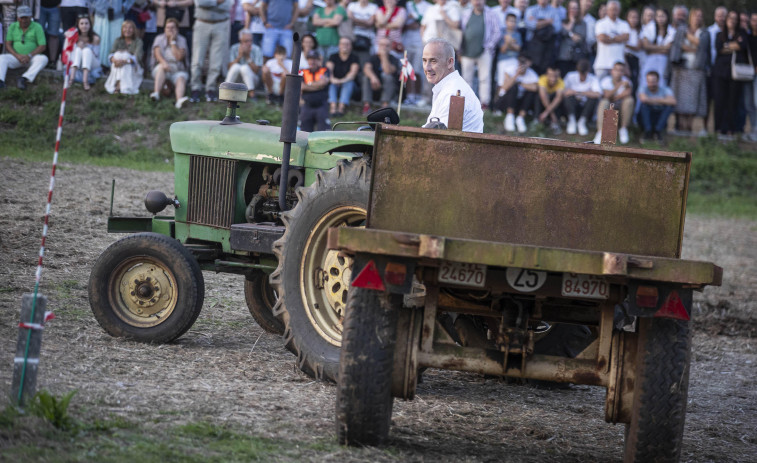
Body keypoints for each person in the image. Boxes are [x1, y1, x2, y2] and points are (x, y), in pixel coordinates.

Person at [422, 37, 483, 132]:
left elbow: (437, 136)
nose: (427, 68)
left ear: (450, 62)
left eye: (433, 61)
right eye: (424, 60)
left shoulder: (452, 92)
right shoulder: (450, 86)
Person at [669, 8, 709, 136]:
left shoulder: (704, 32)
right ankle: (680, 128)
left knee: (692, 102)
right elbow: (678, 45)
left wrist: (688, 38)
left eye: (700, 16)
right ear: (690, 17)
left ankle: (689, 130)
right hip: (681, 69)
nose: (698, 18)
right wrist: (694, 48)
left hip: (696, 70)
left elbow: (701, 45)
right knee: (680, 101)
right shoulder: (681, 29)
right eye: (696, 16)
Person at [712, 10, 749, 137]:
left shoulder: (742, 33)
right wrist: (733, 44)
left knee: (733, 101)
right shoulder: (719, 34)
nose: (732, 20)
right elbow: (719, 48)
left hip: (735, 74)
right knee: (720, 100)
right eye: (730, 18)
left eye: (735, 18)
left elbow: (741, 46)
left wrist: (727, 46)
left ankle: (731, 129)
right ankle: (719, 128)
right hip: (720, 72)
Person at [460, 0, 501, 110]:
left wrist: (488, 46)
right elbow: (462, 30)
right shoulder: (466, 13)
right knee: (466, 78)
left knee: (484, 78)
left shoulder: (491, 13)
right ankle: (466, 102)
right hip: (467, 51)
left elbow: (497, 32)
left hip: (484, 51)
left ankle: (484, 103)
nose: (477, 2)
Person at [189, 0, 232, 103]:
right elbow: (200, 3)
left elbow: (228, 5)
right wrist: (217, 2)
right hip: (202, 22)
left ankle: (210, 89)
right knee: (197, 59)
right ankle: (195, 88)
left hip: (221, 24)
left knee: (216, 62)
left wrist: (210, 3)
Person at [0, 5, 49, 90]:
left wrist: (29, 55)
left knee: (43, 58)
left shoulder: (37, 26)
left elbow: (42, 46)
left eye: (26, 18)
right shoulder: (13, 26)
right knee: (2, 58)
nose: (24, 20)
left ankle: (24, 78)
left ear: (30, 17)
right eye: (22, 18)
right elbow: (8, 44)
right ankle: (0, 81)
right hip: (16, 57)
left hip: (31, 58)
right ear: (18, 17)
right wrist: (17, 56)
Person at [150, 17, 190, 108]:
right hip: (162, 67)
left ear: (177, 29)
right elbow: (157, 53)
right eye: (168, 28)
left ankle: (179, 100)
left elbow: (179, 57)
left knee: (181, 77)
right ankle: (156, 93)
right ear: (164, 29)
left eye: (173, 28)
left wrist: (173, 42)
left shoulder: (182, 39)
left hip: (177, 68)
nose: (170, 30)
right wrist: (164, 63)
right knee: (161, 68)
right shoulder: (159, 38)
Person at [495, 52, 538, 133]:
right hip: (505, 101)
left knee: (530, 93)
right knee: (513, 87)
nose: (522, 64)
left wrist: (520, 83)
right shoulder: (509, 70)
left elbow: (535, 88)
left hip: (519, 103)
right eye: (520, 61)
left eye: (524, 62)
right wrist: (516, 75)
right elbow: (504, 87)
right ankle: (510, 116)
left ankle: (520, 118)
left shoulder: (532, 74)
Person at [593, 61, 633, 144]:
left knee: (629, 100)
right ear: (612, 71)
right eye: (616, 70)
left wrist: (615, 97)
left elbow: (628, 94)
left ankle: (623, 129)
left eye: (621, 70)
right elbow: (607, 95)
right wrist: (618, 86)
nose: (618, 72)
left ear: (623, 72)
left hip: (621, 110)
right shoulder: (606, 80)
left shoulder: (627, 82)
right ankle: (600, 131)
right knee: (604, 102)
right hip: (610, 109)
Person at [403, 0, 432, 106]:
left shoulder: (428, 6)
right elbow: (402, 23)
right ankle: (410, 96)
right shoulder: (407, 4)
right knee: (407, 69)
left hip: (421, 43)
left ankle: (419, 95)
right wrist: (409, 25)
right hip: (406, 41)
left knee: (418, 70)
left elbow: (427, 23)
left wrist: (415, 18)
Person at [361, 36, 399, 114]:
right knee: (366, 78)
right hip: (374, 87)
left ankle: (384, 107)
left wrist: (384, 56)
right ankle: (367, 106)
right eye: (382, 45)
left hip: (389, 91)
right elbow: (366, 69)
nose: (384, 47)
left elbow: (388, 71)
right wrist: (373, 78)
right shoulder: (372, 57)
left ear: (391, 47)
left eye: (387, 45)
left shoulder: (394, 59)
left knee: (387, 77)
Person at [562, 58, 600, 136]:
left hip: (586, 107)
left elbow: (597, 94)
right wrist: (587, 93)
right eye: (580, 72)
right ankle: (572, 121)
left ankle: (582, 122)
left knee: (593, 99)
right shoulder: (570, 75)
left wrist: (578, 92)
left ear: (588, 71)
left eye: (584, 73)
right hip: (572, 105)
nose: (582, 75)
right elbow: (563, 91)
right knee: (567, 97)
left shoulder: (593, 78)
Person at [105, 20, 144, 94]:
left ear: (134, 30)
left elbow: (137, 57)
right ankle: (119, 84)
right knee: (117, 55)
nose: (127, 30)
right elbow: (111, 54)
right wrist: (115, 60)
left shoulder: (138, 41)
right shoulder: (118, 40)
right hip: (118, 64)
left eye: (130, 28)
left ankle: (119, 85)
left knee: (125, 55)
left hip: (133, 66)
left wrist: (124, 61)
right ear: (122, 30)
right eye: (125, 28)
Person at [593, 0, 629, 80]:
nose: (614, 12)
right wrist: (618, 38)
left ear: (619, 10)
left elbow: (626, 37)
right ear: (607, 10)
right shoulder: (600, 23)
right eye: (612, 9)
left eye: (615, 9)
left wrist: (609, 37)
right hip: (602, 64)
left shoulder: (624, 24)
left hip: (619, 66)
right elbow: (602, 38)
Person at [637, 70, 676, 143]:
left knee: (669, 107)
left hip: (659, 116)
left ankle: (658, 131)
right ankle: (647, 131)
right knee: (644, 106)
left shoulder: (665, 89)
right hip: (646, 116)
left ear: (658, 81)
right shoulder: (643, 88)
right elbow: (644, 99)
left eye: (653, 81)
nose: (651, 84)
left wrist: (651, 100)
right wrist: (662, 100)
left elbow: (673, 101)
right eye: (649, 81)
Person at [523, 0, 560, 74]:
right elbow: (530, 25)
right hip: (533, 47)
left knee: (544, 71)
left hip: (547, 47)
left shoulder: (554, 11)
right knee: (531, 70)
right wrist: (547, 22)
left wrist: (538, 22)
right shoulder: (531, 10)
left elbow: (557, 28)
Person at [326, 36, 360, 116]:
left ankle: (341, 108)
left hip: (351, 87)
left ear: (351, 46)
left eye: (347, 44)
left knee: (349, 83)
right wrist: (333, 79)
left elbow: (352, 74)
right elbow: (328, 71)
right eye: (342, 44)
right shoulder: (333, 56)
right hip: (335, 85)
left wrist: (340, 81)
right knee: (331, 84)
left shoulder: (354, 58)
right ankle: (333, 108)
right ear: (339, 45)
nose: (344, 46)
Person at [640, 8, 675, 84]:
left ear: (667, 17)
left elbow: (668, 49)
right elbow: (646, 46)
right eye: (658, 16)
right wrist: (663, 47)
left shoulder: (671, 30)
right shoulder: (650, 27)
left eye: (662, 16)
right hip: (649, 59)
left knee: (661, 80)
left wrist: (652, 48)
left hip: (663, 61)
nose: (660, 19)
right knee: (646, 80)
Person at [92, 0, 131, 69]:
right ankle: (98, 65)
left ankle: (114, 63)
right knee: (100, 39)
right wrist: (94, 6)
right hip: (100, 13)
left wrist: (125, 6)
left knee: (115, 38)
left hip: (117, 14)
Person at [299, 49, 331, 131]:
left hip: (321, 105)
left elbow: (323, 83)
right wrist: (317, 86)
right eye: (309, 59)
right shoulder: (302, 71)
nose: (312, 61)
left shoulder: (324, 70)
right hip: (307, 105)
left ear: (318, 60)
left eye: (314, 59)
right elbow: (301, 87)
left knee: (324, 133)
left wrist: (308, 85)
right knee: (304, 132)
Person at [227, 29, 263, 98]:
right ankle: (226, 91)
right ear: (240, 40)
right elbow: (229, 68)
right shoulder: (234, 48)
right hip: (237, 81)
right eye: (246, 41)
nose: (249, 43)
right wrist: (239, 57)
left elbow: (256, 71)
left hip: (252, 80)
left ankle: (252, 93)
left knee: (244, 68)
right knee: (236, 66)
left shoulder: (257, 49)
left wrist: (247, 57)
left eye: (250, 40)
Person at [555, 0, 586, 78]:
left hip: (576, 58)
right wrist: (571, 22)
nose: (573, 10)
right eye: (571, 8)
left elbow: (579, 39)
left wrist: (568, 32)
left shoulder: (582, 23)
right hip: (563, 57)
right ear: (567, 9)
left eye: (575, 8)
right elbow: (562, 33)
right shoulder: (562, 21)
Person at [536, 65, 564, 133]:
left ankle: (554, 123)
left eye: (556, 76)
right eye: (551, 75)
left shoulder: (561, 82)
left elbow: (558, 98)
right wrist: (552, 115)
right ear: (547, 75)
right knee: (538, 96)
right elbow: (543, 96)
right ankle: (536, 119)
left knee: (559, 98)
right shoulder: (542, 79)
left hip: (551, 106)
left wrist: (546, 113)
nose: (553, 79)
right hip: (543, 104)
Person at [38, 0, 62, 65]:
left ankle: (52, 61)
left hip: (55, 6)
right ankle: (36, 59)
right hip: (39, 6)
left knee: (54, 35)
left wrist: (62, 3)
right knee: (37, 34)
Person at [625, 8, 642, 93]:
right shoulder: (624, 29)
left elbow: (638, 47)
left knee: (634, 83)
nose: (634, 20)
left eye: (636, 17)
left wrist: (624, 43)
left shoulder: (639, 31)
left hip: (634, 59)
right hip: (625, 58)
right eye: (631, 17)